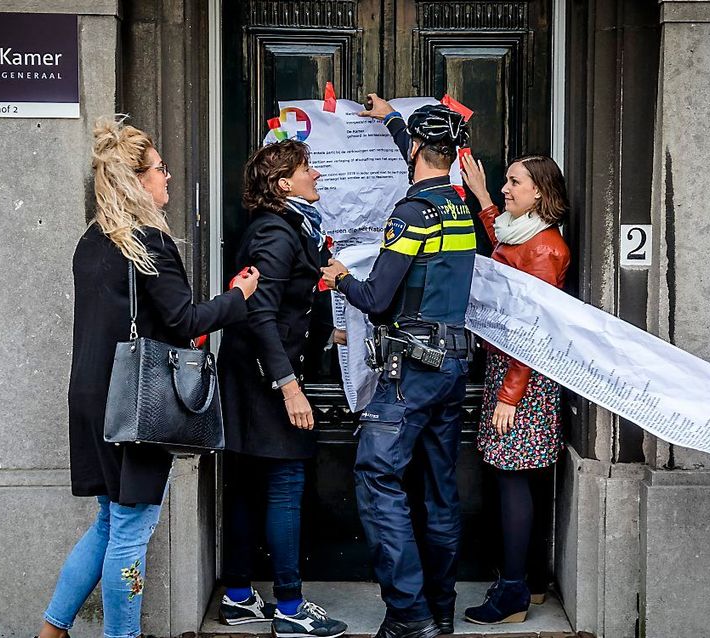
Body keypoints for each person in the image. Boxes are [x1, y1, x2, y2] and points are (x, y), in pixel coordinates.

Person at [38, 117, 258, 638]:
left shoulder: (91, 242)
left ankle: (52, 630)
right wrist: (238, 299)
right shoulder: (148, 243)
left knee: (109, 522)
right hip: (136, 399)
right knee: (132, 532)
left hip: (92, 395)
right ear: (138, 179)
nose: (168, 180)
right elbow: (184, 322)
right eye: (161, 170)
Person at [321, 95, 474, 638]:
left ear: (415, 148)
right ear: (453, 152)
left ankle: (409, 615)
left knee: (377, 474)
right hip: (454, 363)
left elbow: (378, 297)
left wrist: (338, 276)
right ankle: (441, 612)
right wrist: (391, 120)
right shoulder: (460, 206)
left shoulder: (411, 214)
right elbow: (425, 162)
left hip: (410, 371)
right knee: (439, 489)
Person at [217, 140, 348, 638]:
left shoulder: (291, 228)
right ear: (282, 184)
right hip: (265, 379)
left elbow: (288, 305)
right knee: (286, 482)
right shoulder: (277, 232)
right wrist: (290, 386)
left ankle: (235, 596)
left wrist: (327, 334)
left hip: (254, 374)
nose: (315, 174)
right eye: (305, 169)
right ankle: (290, 608)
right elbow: (259, 312)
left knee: (250, 484)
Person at [458, 153, 570, 624]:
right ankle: (534, 583)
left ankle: (512, 594)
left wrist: (508, 395)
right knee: (522, 476)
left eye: (514, 182)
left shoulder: (545, 249)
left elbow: (530, 324)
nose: (506, 189)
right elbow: (504, 242)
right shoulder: (523, 234)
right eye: (505, 182)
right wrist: (483, 197)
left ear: (539, 192)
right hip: (515, 371)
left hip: (522, 377)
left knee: (511, 476)